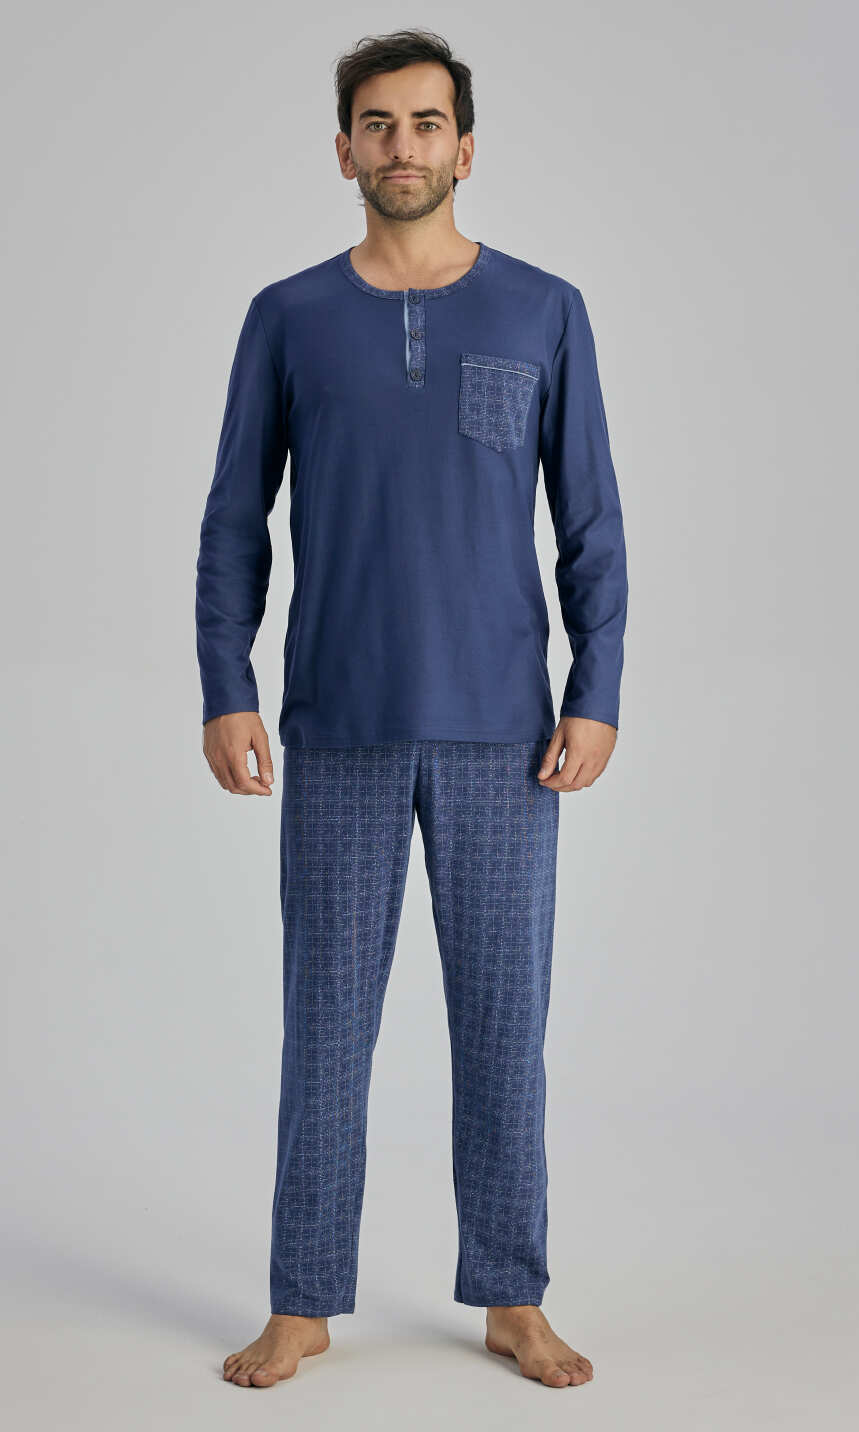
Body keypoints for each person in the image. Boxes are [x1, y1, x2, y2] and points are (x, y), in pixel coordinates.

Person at [196, 27, 627, 1392]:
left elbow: (592, 522)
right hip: (339, 725)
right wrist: (226, 686)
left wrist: (598, 690)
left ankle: (513, 1296)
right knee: (325, 1025)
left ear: (466, 148)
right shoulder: (289, 317)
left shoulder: (543, 310)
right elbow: (233, 520)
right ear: (344, 150)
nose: (403, 146)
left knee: (504, 1026)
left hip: (507, 734)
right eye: (378, 124)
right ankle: (302, 1300)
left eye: (427, 123)